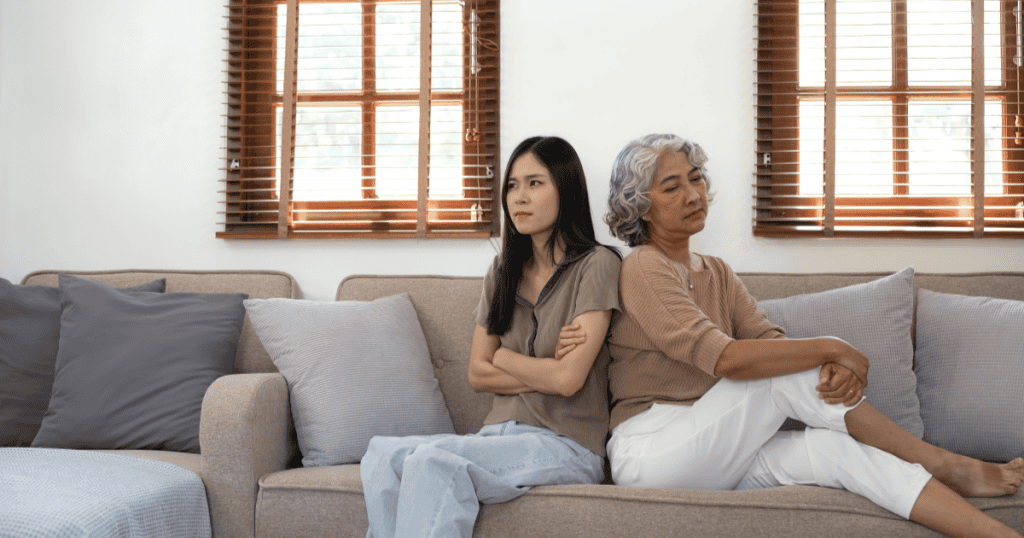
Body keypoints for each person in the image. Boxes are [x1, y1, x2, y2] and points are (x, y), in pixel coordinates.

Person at [601, 133, 1024, 538]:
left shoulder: (717, 271)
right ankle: (939, 462)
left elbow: (769, 344)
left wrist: (826, 368)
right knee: (781, 373)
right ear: (641, 207)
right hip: (653, 451)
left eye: (695, 178)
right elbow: (726, 359)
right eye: (672, 187)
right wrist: (833, 349)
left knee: (835, 451)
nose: (693, 195)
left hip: (718, 446)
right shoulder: (642, 267)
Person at [360, 136, 622, 538]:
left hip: (567, 444)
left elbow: (567, 381)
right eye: (512, 186)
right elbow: (477, 374)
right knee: (380, 454)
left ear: (565, 189)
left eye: (535, 183)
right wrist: (547, 369)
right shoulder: (503, 270)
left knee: (433, 462)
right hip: (497, 435)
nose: (519, 197)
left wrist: (504, 358)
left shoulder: (597, 265)